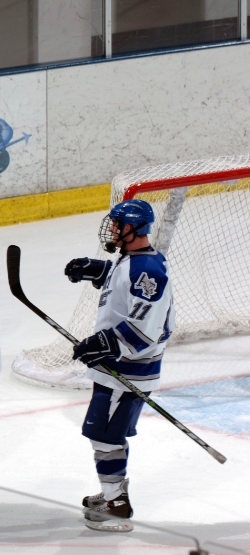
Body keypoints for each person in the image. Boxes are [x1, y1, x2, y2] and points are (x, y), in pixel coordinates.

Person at [65, 199, 174, 533]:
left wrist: (102, 344)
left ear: (133, 229)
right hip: (122, 367)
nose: (111, 229)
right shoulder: (133, 261)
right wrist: (100, 271)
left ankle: (116, 504)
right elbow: (124, 289)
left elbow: (145, 329)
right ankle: (113, 493)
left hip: (128, 370)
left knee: (105, 434)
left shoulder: (147, 271)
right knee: (105, 433)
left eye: (117, 225)